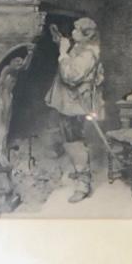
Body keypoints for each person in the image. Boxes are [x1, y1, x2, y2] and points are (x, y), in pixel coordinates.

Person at [45, 16, 106, 203]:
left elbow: (70, 75)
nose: (72, 33)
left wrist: (63, 53)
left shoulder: (88, 54)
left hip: (77, 104)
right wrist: (62, 45)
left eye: (76, 30)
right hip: (71, 102)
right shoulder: (82, 48)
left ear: (86, 35)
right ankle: (81, 172)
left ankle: (83, 184)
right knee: (72, 137)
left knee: (74, 140)